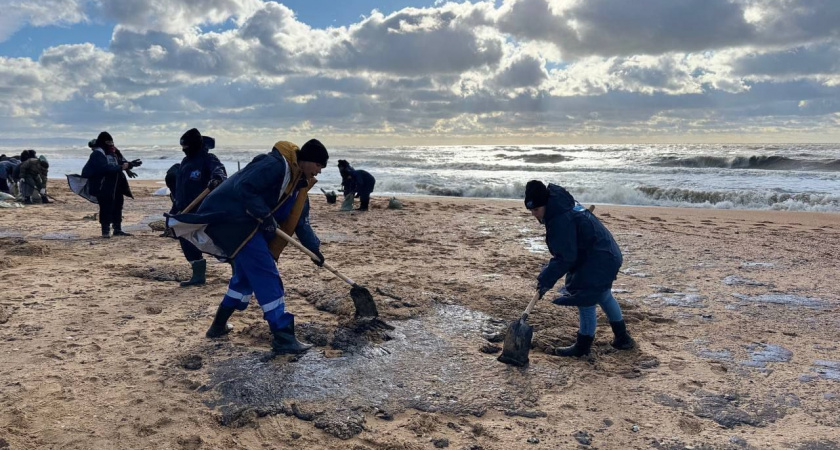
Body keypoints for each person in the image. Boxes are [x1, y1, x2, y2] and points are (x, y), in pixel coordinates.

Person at [167, 139, 329, 355]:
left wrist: (314, 249)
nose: (318, 172)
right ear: (307, 160)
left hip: (251, 228)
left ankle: (218, 326)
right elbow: (245, 186)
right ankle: (283, 336)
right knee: (266, 274)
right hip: (232, 222)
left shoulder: (298, 184)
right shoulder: (275, 164)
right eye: (318, 166)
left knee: (244, 278)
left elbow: (300, 221)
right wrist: (264, 214)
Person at [525, 180, 634, 357]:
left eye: (536, 209)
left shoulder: (560, 219)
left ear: (545, 204)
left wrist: (545, 279)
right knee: (604, 294)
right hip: (608, 253)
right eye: (530, 210)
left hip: (598, 259)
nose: (533, 214)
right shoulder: (563, 205)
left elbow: (565, 258)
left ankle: (582, 347)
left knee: (585, 299)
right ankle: (623, 338)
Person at [169, 128, 228, 287]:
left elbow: (220, 171)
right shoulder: (185, 162)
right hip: (185, 210)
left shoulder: (208, 159)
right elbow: (180, 189)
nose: (183, 150)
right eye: (182, 147)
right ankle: (198, 275)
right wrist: (175, 211)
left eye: (186, 147)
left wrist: (217, 178)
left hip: (204, 211)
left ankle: (237, 267)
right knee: (186, 241)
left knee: (216, 241)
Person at [81, 132, 142, 238]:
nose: (111, 144)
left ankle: (117, 229)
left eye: (112, 141)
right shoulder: (97, 154)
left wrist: (129, 166)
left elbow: (121, 162)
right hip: (103, 185)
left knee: (118, 205)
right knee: (105, 207)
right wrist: (122, 167)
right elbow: (104, 168)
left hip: (116, 184)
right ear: (102, 142)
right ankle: (105, 231)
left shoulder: (114, 152)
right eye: (108, 142)